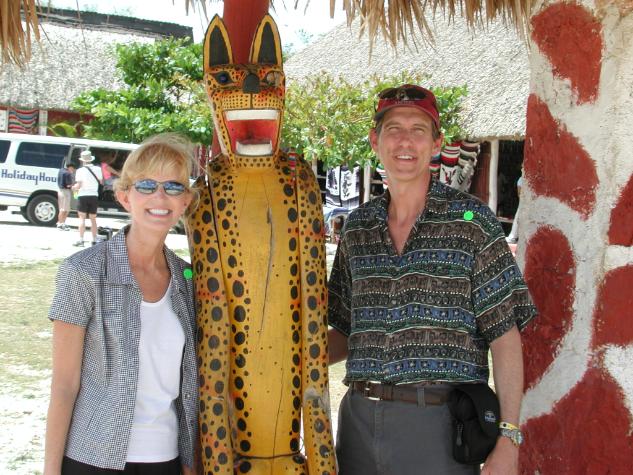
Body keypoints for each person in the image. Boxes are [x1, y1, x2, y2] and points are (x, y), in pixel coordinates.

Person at [327, 84, 538, 475]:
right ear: (375, 140)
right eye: (393, 129)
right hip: (356, 424)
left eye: (418, 130)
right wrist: (281, 358)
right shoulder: (357, 229)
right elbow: (342, 330)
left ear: (437, 142)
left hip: (438, 427)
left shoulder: (471, 225)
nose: (405, 141)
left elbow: (505, 337)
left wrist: (509, 438)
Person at [44, 133, 199, 475]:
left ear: (185, 200)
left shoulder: (189, 281)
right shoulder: (82, 272)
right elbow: (65, 385)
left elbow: (188, 386)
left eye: (173, 186)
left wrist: (190, 463)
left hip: (166, 460)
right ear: (124, 195)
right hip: (93, 459)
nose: (160, 196)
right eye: (146, 185)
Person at [72, 150, 103, 247]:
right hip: (94, 195)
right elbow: (101, 182)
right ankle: (94, 240)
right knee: (93, 219)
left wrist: (74, 188)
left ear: (82, 160)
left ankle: (81, 240)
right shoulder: (98, 169)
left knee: (82, 218)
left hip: (83, 195)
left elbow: (79, 185)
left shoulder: (80, 170)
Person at [56, 163, 75, 231]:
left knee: (62, 208)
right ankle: (61, 224)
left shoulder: (61, 170)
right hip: (65, 192)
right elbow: (68, 185)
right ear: (70, 167)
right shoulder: (67, 174)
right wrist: (73, 185)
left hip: (60, 191)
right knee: (65, 209)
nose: (73, 170)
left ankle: (61, 223)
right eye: (73, 169)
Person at [506, 174, 523, 244]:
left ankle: (514, 237)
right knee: (518, 219)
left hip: (527, 202)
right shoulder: (521, 179)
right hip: (524, 202)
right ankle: (513, 237)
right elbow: (519, 194)